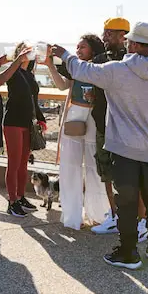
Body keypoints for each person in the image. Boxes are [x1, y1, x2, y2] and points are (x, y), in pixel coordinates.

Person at [52, 21, 148, 270]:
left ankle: (128, 253)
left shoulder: (118, 71)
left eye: (130, 40)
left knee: (126, 203)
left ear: (136, 44)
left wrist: (63, 54)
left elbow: (82, 70)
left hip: (123, 149)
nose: (127, 42)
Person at [91, 17, 148, 240]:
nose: (104, 37)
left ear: (124, 36)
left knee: (134, 177)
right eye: (105, 33)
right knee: (106, 173)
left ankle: (141, 223)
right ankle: (114, 217)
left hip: (128, 127)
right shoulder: (98, 60)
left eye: (109, 33)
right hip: (102, 125)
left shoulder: (136, 61)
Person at [45, 34, 108, 230]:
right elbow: (63, 85)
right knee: (71, 167)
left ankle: (98, 214)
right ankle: (72, 216)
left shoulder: (101, 68)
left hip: (94, 119)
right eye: (77, 47)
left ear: (93, 49)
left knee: (93, 168)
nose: (79, 50)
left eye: (83, 47)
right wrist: (50, 66)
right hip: (74, 118)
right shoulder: (74, 67)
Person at [2, 42, 47, 217]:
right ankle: (12, 201)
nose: (29, 53)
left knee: (23, 164)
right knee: (13, 164)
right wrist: (18, 60)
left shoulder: (29, 74)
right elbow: (2, 78)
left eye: (31, 50)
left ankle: (20, 197)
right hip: (13, 121)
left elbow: (33, 100)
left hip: (27, 123)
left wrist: (41, 119)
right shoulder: (14, 72)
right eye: (25, 50)